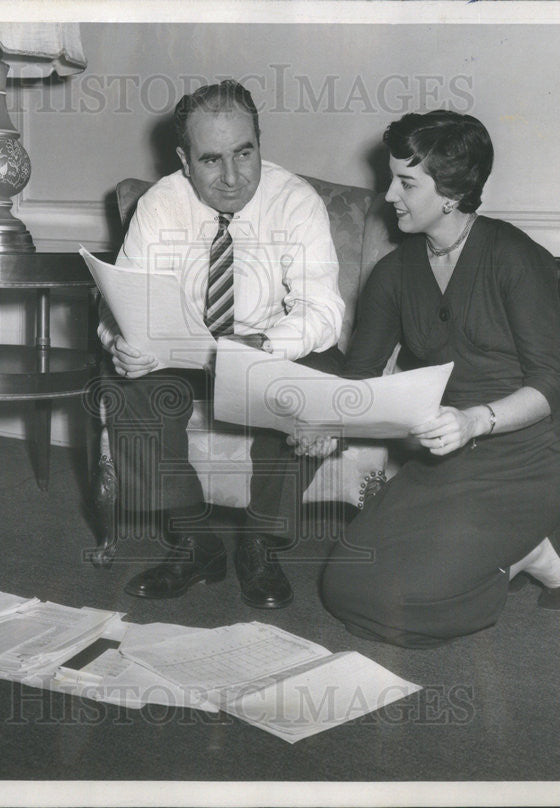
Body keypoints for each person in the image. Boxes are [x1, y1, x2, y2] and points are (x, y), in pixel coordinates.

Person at [314, 110, 560, 647]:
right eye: (391, 178)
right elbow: (360, 376)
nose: (388, 195)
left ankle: (528, 554)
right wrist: (325, 420)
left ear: (453, 191)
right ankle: (515, 550)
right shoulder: (393, 273)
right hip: (441, 456)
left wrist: (473, 421)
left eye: (406, 182)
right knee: (343, 587)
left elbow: (551, 385)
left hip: (526, 455)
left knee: (407, 605)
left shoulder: (514, 257)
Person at [98, 80, 345, 609]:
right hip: (181, 355)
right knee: (124, 383)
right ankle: (194, 540)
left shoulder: (295, 203)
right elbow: (120, 299)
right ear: (185, 160)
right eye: (212, 160)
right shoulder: (161, 204)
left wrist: (262, 345)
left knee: (316, 374)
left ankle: (260, 541)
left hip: (264, 349)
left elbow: (322, 311)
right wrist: (123, 341)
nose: (233, 177)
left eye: (245, 153)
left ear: (259, 142)